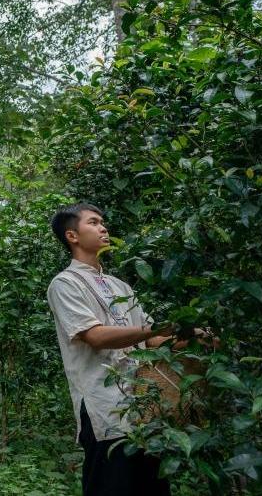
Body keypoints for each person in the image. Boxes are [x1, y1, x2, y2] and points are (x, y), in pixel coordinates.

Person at [47, 203, 172, 496]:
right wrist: (156, 330)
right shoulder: (65, 283)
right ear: (72, 236)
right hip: (105, 409)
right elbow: (95, 336)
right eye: (94, 222)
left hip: (145, 409)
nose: (104, 228)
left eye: (103, 222)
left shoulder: (121, 286)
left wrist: (189, 336)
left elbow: (151, 340)